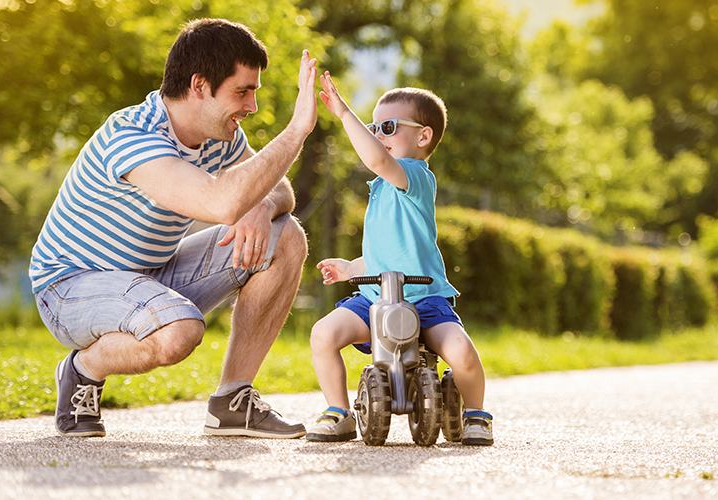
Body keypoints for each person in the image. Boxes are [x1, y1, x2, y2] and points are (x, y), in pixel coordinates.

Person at [29, 18, 317, 439]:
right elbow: (221, 203)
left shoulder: (221, 136)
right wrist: (296, 131)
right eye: (242, 91)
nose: (251, 106)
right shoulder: (132, 136)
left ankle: (232, 402)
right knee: (179, 331)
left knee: (285, 236)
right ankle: (82, 369)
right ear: (199, 85)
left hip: (149, 274)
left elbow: (281, 191)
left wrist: (264, 206)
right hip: (70, 287)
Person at [306, 72, 494, 446]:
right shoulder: (381, 189)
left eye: (387, 127)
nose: (377, 134)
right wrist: (352, 267)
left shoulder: (415, 177)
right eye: (374, 126)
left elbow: (376, 160)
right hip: (376, 297)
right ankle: (338, 411)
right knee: (323, 334)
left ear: (422, 136)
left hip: (424, 301)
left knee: (461, 351)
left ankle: (476, 414)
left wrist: (345, 114)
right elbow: (385, 254)